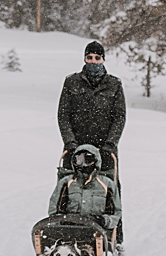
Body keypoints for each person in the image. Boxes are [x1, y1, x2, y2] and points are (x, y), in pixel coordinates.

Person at [57, 40, 126, 243]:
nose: (93, 61)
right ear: (84, 58)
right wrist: (70, 142)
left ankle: (115, 238)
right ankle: (66, 232)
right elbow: (63, 115)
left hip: (104, 147)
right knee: (69, 187)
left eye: (97, 58)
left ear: (103, 59)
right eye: (89, 58)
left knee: (109, 189)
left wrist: (110, 144)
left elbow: (119, 117)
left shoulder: (114, 84)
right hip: (76, 146)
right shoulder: (72, 82)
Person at [48, 144, 120, 234]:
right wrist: (63, 220)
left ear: (96, 161)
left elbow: (116, 214)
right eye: (79, 160)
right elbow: (53, 210)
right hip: (68, 230)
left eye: (88, 160)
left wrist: (103, 220)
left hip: (97, 232)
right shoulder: (66, 183)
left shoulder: (107, 184)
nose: (83, 164)